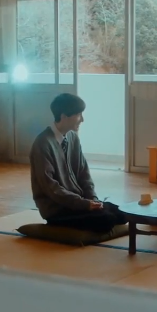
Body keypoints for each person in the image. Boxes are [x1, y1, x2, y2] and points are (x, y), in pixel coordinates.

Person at [30, 93, 126, 232]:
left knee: (122, 213)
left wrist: (93, 199)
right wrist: (84, 204)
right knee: (107, 220)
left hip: (79, 204)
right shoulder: (42, 144)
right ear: (64, 116)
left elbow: (84, 174)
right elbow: (50, 188)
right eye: (79, 115)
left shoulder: (73, 138)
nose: (82, 119)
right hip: (58, 210)